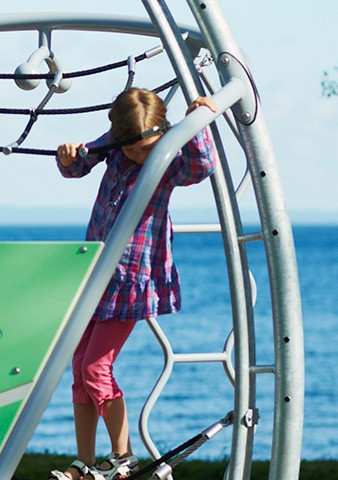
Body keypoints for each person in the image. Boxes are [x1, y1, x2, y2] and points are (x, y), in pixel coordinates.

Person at [49, 88, 218, 480]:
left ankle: (123, 457)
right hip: (97, 274)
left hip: (131, 279)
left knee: (96, 368)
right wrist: (69, 156)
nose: (140, 156)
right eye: (131, 150)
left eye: (146, 149)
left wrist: (198, 123)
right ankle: (84, 463)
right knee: (79, 369)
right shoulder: (115, 145)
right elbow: (79, 166)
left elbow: (201, 167)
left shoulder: (166, 157)